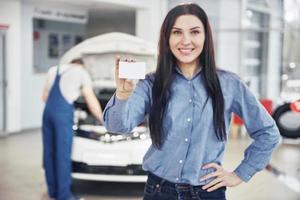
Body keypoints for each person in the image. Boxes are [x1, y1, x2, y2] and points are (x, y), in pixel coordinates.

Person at [103, 3, 280, 200]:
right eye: (177, 32)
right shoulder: (150, 84)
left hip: (208, 192)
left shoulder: (229, 84)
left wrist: (240, 174)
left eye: (194, 32)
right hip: (159, 192)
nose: (186, 40)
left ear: (205, 37)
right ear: (167, 38)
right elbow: (117, 127)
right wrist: (122, 94)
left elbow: (268, 133)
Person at [42, 58, 103, 200]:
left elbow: (44, 96)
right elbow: (90, 99)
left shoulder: (53, 70)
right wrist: (102, 119)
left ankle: (53, 192)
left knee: (49, 153)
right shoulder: (81, 72)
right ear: (82, 65)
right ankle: (64, 196)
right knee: (62, 155)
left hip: (48, 113)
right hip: (62, 115)